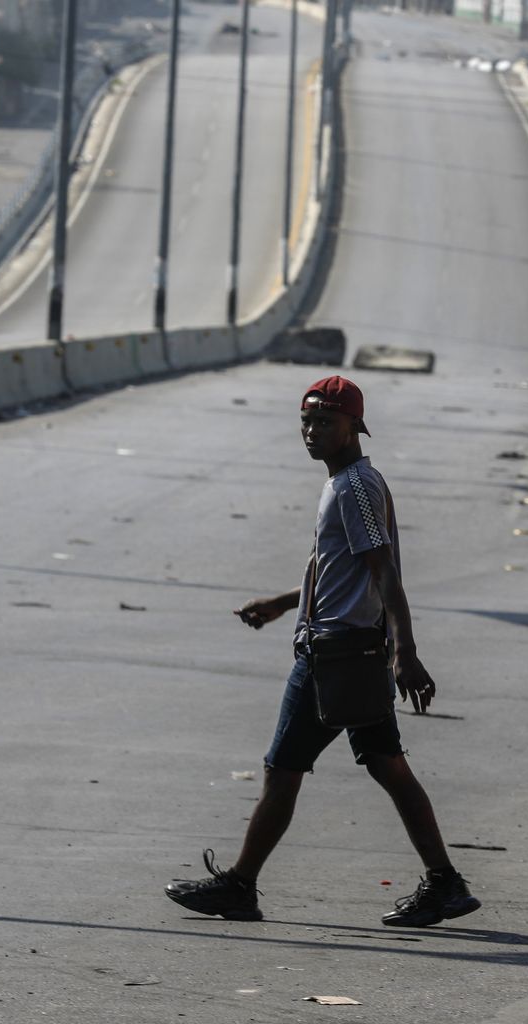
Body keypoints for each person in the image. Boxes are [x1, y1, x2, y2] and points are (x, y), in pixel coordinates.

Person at [165, 376, 480, 929]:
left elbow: (385, 572)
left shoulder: (354, 487)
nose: (312, 432)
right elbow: (343, 570)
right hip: (352, 650)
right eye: (306, 421)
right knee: (389, 768)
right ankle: (445, 884)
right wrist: (286, 603)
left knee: (282, 769)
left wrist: (406, 650)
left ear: (355, 426)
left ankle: (240, 887)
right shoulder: (345, 482)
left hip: (335, 657)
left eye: (325, 422)